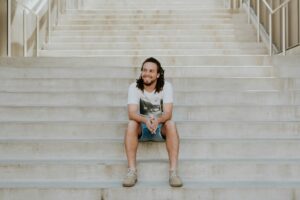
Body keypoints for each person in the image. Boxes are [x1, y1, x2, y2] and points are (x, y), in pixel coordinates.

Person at [122, 57, 183, 187]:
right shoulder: (134, 87)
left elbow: (168, 113)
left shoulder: (166, 86)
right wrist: (145, 120)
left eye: (151, 71)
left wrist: (157, 121)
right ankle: (132, 171)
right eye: (144, 70)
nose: (147, 74)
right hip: (142, 129)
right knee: (131, 124)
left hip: (160, 128)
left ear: (157, 74)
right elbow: (131, 113)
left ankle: (173, 173)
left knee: (171, 124)